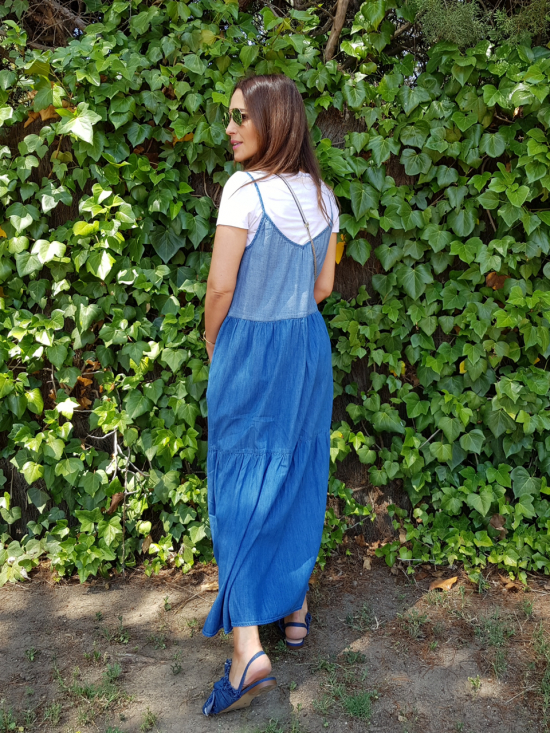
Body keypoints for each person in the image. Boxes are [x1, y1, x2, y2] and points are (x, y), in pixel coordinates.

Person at [200, 73, 340, 716]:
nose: (229, 128)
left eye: (241, 117)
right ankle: (295, 608)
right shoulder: (323, 194)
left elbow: (220, 288)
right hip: (305, 346)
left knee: (240, 483)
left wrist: (215, 344)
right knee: (295, 470)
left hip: (252, 348)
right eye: (229, 116)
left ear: (275, 122)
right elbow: (323, 289)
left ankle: (247, 650)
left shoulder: (243, 190)